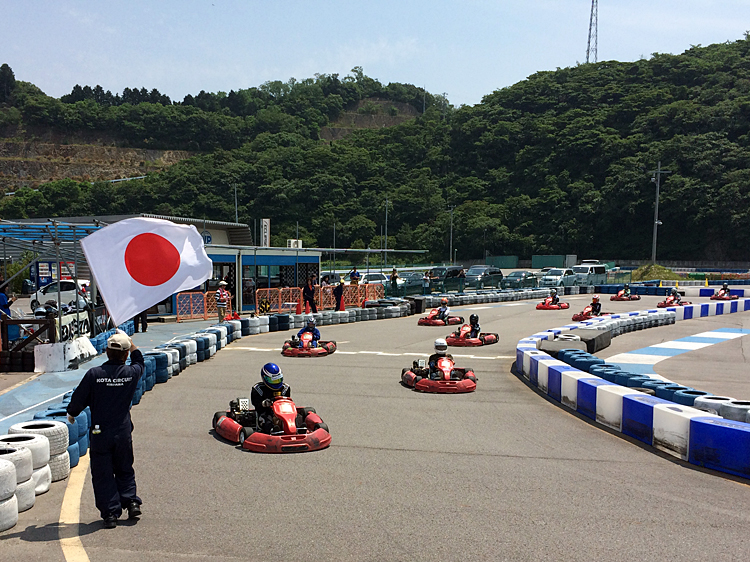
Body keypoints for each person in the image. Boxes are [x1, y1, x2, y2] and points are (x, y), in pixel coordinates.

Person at [66, 332, 144, 529]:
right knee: (125, 467)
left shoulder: (94, 374)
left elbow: (78, 399)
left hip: (101, 432)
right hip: (123, 430)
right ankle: (131, 502)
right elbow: (139, 359)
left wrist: (72, 412)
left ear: (106, 351)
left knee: (103, 473)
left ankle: (110, 513)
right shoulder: (131, 373)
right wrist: (131, 343)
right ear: (125, 355)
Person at [250, 363, 291, 433]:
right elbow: (257, 407)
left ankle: (299, 427)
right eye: (274, 380)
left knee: (297, 416)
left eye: (278, 380)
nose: (277, 383)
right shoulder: (258, 389)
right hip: (267, 412)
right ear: (265, 378)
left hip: (283, 411)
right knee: (267, 420)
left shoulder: (285, 388)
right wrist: (264, 404)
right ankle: (273, 430)